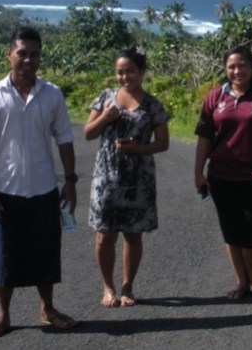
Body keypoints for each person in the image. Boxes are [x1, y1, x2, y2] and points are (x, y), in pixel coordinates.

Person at [0, 27, 79, 338]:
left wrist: (70, 181)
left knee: (45, 252)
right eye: (22, 53)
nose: (28, 60)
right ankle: (3, 315)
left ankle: (47, 308)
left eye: (34, 54)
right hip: (4, 191)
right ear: (9, 55)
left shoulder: (52, 94)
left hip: (45, 189)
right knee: (4, 254)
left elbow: (65, 139)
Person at [194, 46, 252, 300]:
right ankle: (241, 283)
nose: (237, 71)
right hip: (220, 177)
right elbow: (204, 137)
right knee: (231, 231)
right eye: (231, 66)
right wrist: (198, 172)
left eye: (242, 65)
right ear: (225, 70)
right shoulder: (215, 97)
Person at [83, 47, 170, 308]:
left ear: (142, 72)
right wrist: (105, 118)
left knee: (133, 235)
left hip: (138, 181)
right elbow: (88, 133)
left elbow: (163, 143)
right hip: (105, 179)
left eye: (130, 71)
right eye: (120, 72)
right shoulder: (105, 98)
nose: (125, 76)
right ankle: (108, 286)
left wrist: (139, 149)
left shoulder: (152, 104)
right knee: (104, 235)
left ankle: (128, 285)